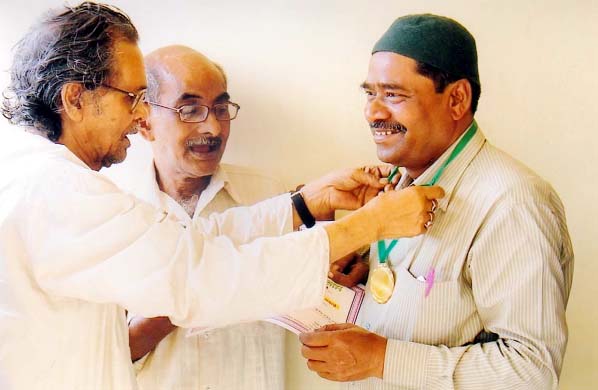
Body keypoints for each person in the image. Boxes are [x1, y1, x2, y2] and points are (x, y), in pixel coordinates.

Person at [0, 3, 444, 389]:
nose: (139, 116)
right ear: (75, 99)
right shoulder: (59, 192)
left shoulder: (45, 181)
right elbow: (201, 276)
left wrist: (303, 204)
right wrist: (370, 225)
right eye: (131, 98)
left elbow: (193, 244)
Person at [300, 14, 574, 389]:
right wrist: (362, 279)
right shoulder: (399, 182)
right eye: (370, 93)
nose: (373, 112)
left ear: (457, 98)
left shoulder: (511, 202)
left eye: (393, 94)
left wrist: (381, 359)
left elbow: (530, 370)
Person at [115, 45, 287, 390]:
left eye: (221, 108)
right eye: (190, 109)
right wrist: (196, 282)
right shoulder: (114, 213)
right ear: (144, 121)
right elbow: (105, 353)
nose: (212, 127)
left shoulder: (273, 199)